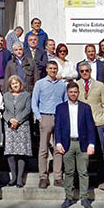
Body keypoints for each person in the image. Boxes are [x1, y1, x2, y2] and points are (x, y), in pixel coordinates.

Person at [55, 82, 96, 208]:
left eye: (75, 92)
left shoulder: (85, 107)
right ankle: (68, 197)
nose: (73, 94)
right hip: (67, 144)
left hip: (82, 144)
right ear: (67, 92)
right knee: (68, 172)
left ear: (78, 93)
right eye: (71, 92)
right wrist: (58, 142)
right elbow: (58, 127)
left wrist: (91, 144)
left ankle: (84, 198)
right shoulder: (60, 108)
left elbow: (91, 127)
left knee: (83, 171)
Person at [31, 60, 68, 188]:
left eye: (55, 69)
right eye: (51, 68)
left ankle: (58, 177)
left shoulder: (62, 85)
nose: (53, 70)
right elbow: (34, 101)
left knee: (59, 148)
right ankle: (43, 177)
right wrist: (39, 117)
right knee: (43, 148)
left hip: (58, 118)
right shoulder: (40, 84)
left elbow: (65, 101)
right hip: (45, 117)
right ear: (46, 69)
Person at [76, 62, 104, 190]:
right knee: (83, 152)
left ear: (90, 71)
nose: (85, 73)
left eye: (87, 70)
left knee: (100, 151)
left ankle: (102, 180)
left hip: (98, 122)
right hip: (82, 124)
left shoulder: (99, 85)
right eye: (82, 71)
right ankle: (84, 181)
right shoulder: (76, 85)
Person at [2, 75, 33, 188]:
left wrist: (18, 120)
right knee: (10, 152)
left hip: (22, 126)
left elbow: (28, 109)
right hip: (9, 126)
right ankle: (13, 177)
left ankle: (20, 178)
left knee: (21, 152)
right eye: (13, 83)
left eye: (17, 83)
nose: (15, 85)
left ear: (21, 84)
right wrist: (10, 119)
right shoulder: (5, 96)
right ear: (10, 85)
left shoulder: (26, 95)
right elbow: (4, 109)